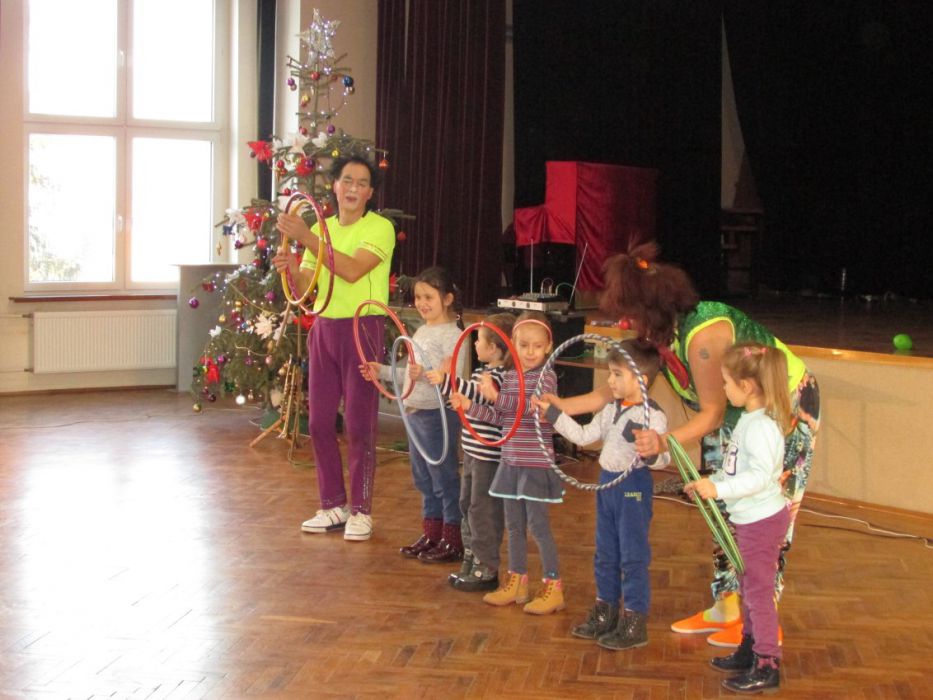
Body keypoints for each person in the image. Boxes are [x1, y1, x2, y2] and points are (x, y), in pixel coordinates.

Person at [550, 242, 820, 646]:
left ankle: (760, 622)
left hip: (785, 408)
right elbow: (612, 392)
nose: (625, 323)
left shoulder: (703, 337)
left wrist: (660, 441)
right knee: (719, 505)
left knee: (766, 513)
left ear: (651, 308)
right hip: (736, 418)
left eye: (630, 313)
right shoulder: (661, 335)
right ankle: (727, 606)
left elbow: (711, 412)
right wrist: (558, 407)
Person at [272, 155, 395, 542]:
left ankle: (361, 510)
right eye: (347, 181)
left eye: (362, 183)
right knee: (320, 422)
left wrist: (309, 238)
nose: (354, 188)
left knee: (359, 424)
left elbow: (352, 270)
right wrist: (292, 267)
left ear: (370, 193)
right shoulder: (320, 229)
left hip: (362, 328)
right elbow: (308, 284)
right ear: (335, 187)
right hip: (324, 328)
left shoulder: (380, 228)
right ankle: (333, 505)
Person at [534, 341, 670, 650]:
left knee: (632, 554)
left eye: (617, 374)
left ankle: (634, 620)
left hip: (632, 487)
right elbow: (584, 436)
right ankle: (605, 610)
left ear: (641, 380)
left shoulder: (653, 416)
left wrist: (652, 452)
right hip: (607, 485)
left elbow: (662, 459)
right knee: (606, 552)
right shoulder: (611, 409)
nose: (610, 381)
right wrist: (553, 414)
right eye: (610, 373)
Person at [685, 342, 793, 694]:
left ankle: (767, 663)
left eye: (727, 383)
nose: (723, 388)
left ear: (746, 386)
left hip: (761, 522)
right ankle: (750, 647)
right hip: (749, 520)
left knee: (758, 593)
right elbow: (735, 471)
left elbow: (759, 477)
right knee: (748, 588)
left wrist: (718, 489)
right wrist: (709, 482)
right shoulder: (749, 420)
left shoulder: (762, 427)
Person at [450, 311, 564, 615]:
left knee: (538, 526)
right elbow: (501, 418)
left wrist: (496, 397)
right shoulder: (511, 377)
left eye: (537, 346)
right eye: (523, 345)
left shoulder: (546, 378)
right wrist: (470, 405)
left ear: (548, 346)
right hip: (510, 462)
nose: (530, 352)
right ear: (513, 344)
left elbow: (530, 408)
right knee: (513, 525)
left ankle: (553, 586)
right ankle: (517, 582)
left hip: (535, 464)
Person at [362, 266, 466, 563]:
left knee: (443, 477)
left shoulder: (454, 335)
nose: (421, 303)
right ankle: (432, 534)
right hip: (415, 414)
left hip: (437, 415)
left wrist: (425, 375)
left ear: (447, 298)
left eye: (428, 297)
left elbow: (452, 377)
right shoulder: (421, 331)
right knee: (423, 478)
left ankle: (453, 539)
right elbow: (410, 373)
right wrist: (382, 371)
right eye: (418, 297)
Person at [425, 312, 515, 592]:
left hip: (489, 458)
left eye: (479, 340)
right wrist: (451, 394)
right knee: (467, 505)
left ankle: (486, 567)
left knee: (483, 511)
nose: (474, 344)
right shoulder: (480, 373)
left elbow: (476, 394)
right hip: (473, 454)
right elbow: (467, 401)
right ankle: (471, 558)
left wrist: (448, 380)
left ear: (494, 348)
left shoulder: (500, 378)